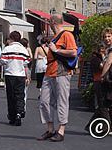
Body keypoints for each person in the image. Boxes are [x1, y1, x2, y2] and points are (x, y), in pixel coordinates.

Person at [37, 14, 77, 142]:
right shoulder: (54, 37)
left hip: (62, 72)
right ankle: (50, 129)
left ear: (53, 23)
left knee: (62, 101)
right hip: (49, 72)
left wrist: (57, 51)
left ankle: (61, 130)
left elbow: (73, 52)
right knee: (44, 101)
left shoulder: (67, 35)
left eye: (49, 23)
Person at [0, 31, 30, 126]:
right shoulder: (23, 50)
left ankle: (12, 116)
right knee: (20, 95)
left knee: (11, 96)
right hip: (20, 75)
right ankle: (19, 113)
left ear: (11, 38)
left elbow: (3, 61)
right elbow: (27, 62)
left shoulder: (7, 49)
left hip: (10, 74)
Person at [84, 44, 106, 132]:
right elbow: (101, 66)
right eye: (101, 50)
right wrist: (105, 58)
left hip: (102, 82)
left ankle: (91, 125)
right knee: (101, 105)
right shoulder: (95, 59)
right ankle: (102, 126)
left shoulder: (97, 58)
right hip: (98, 81)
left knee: (101, 106)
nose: (103, 52)